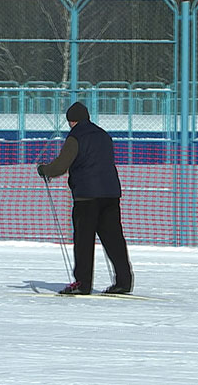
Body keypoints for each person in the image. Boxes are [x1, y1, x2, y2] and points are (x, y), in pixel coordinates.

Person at [37, 102, 134, 295]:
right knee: (114, 239)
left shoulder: (75, 137)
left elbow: (61, 166)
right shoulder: (104, 135)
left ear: (72, 121)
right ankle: (124, 281)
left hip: (86, 196)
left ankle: (83, 283)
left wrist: (44, 169)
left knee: (84, 241)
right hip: (111, 194)